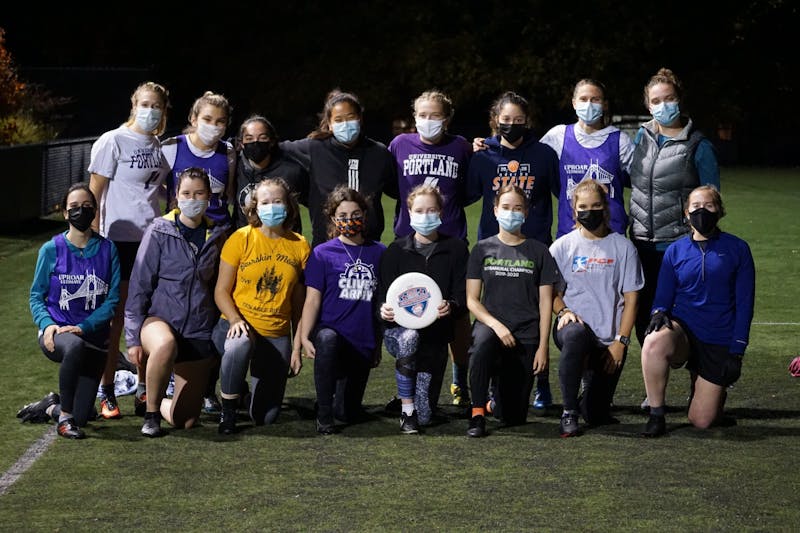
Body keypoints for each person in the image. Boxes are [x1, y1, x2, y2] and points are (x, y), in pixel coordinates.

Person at [467, 90, 560, 410]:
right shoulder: (483, 157)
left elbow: (563, 194)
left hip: (534, 247)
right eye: (505, 121)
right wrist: (471, 150)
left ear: (528, 121)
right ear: (495, 121)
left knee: (536, 315)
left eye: (518, 121)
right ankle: (489, 387)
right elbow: (465, 195)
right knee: (493, 313)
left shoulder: (545, 155)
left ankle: (542, 383)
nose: (512, 126)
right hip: (493, 250)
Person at [640, 185, 754, 437]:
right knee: (653, 342)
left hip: (718, 338)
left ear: (720, 211)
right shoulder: (675, 251)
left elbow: (745, 303)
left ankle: (708, 391)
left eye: (709, 206)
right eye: (696, 207)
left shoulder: (738, 249)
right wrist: (659, 312)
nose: (702, 212)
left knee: (701, 421)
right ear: (686, 213)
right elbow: (663, 296)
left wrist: (737, 351)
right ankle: (656, 415)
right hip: (684, 333)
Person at [124, 168, 230, 437]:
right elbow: (139, 284)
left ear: (209, 197)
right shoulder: (160, 230)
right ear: (175, 196)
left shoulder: (218, 235)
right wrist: (133, 338)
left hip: (197, 329)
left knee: (186, 420)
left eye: (199, 193)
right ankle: (150, 415)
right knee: (165, 343)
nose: (192, 198)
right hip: (159, 321)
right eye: (186, 193)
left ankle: (159, 405)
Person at [88, 81, 171, 420]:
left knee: (147, 318)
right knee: (116, 320)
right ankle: (106, 390)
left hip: (151, 242)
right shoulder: (113, 140)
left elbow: (157, 191)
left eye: (158, 106)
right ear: (135, 103)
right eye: (146, 104)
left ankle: (142, 387)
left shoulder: (159, 146)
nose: (151, 111)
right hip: (118, 241)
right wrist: (94, 241)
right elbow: (94, 192)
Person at [388, 89, 473, 407]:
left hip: (450, 242)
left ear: (447, 118)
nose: (428, 121)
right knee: (408, 312)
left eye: (435, 115)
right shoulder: (399, 145)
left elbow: (469, 189)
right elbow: (391, 186)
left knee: (456, 314)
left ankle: (459, 382)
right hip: (409, 242)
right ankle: (404, 386)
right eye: (422, 115)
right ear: (414, 118)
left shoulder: (461, 146)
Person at [629, 68, 721, 350]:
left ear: (679, 100)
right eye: (656, 100)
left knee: (685, 321)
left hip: (679, 248)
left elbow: (711, 200)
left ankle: (701, 384)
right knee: (644, 322)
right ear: (648, 105)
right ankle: (652, 392)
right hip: (641, 245)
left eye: (669, 98)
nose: (663, 105)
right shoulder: (640, 138)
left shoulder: (699, 146)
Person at [19, 183, 120, 439]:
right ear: (65, 213)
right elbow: (36, 295)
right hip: (58, 333)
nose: (80, 212)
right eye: (73, 207)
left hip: (95, 338)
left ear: (95, 210)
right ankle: (64, 418)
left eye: (86, 207)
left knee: (83, 415)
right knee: (73, 345)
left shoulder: (108, 250)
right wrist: (47, 324)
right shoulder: (51, 249)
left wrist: (85, 327)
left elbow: (112, 300)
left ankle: (52, 406)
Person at [212, 177, 309, 435]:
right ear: (254, 207)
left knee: (265, 417)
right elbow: (221, 291)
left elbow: (300, 303)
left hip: (275, 332)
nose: (272, 207)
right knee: (239, 343)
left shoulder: (299, 245)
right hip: (238, 324)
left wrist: (296, 347)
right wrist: (234, 319)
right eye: (266, 202)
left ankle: (245, 397)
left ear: (288, 206)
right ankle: (228, 410)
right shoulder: (241, 238)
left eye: (278, 201)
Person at [161, 91, 236, 414]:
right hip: (178, 241)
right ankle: (164, 381)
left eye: (220, 121)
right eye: (207, 119)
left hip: (217, 242)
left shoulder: (229, 153)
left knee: (212, 314)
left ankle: (207, 388)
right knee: (174, 309)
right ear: (193, 119)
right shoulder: (170, 148)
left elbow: (230, 197)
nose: (213, 127)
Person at [549, 180, 643, 437]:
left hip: (609, 339)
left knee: (596, 415)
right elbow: (550, 293)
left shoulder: (623, 247)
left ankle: (588, 395)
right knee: (576, 334)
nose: (589, 211)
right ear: (574, 210)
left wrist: (620, 342)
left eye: (596, 205)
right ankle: (569, 412)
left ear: (606, 208)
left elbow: (631, 299)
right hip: (573, 329)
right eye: (583, 207)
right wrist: (563, 311)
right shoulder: (562, 247)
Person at [464, 185, 559, 437]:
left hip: (525, 334)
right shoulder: (481, 249)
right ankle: (477, 414)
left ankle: (495, 401)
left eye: (517, 208)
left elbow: (545, 302)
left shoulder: (539, 251)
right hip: (492, 327)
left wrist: (542, 348)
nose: (511, 213)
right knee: (482, 344)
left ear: (525, 213)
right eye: (505, 208)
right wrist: (496, 326)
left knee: (513, 417)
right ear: (495, 211)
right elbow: (472, 300)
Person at [378, 184, 469, 433]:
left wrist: (451, 305)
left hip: (435, 338)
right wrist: (383, 310)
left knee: (426, 415)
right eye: (419, 210)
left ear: (441, 212)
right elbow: (381, 296)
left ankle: (413, 401)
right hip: (399, 333)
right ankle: (407, 410)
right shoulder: (395, 251)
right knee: (410, 336)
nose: (425, 215)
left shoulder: (457, 249)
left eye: (431, 210)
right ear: (409, 213)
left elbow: (462, 295)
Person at [299, 186, 386, 434]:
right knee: (327, 338)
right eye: (343, 216)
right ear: (333, 219)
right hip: (332, 336)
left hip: (362, 341)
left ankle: (336, 401)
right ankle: (323, 414)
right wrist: (305, 336)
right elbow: (312, 300)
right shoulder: (322, 253)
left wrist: (377, 344)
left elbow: (380, 302)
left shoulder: (379, 252)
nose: (350, 220)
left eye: (356, 214)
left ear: (365, 216)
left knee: (347, 413)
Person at [280, 89, 398, 248]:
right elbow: (275, 148)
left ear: (360, 119)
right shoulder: (314, 148)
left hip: (370, 245)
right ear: (329, 124)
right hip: (326, 245)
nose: (345, 124)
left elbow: (396, 189)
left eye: (350, 118)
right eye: (339, 120)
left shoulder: (379, 152)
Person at [539, 78, 634, 238]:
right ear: (574, 103)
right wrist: (492, 145)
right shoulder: (558, 136)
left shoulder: (620, 140)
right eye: (583, 99)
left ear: (604, 104)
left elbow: (643, 184)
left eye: (595, 99)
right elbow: (530, 161)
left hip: (611, 234)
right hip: (570, 235)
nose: (589, 104)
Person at [233, 114, 308, 232]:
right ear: (241, 143)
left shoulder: (291, 171)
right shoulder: (235, 169)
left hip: (286, 241)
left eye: (262, 138)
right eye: (249, 138)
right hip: (246, 243)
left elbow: (313, 202)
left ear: (272, 141)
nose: (255, 142)